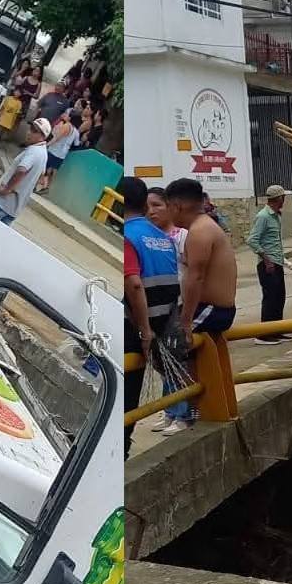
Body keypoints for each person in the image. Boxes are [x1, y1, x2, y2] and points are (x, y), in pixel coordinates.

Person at [119, 175, 179, 458]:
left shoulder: (128, 237)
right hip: (159, 326)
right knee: (129, 394)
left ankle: (117, 450)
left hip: (135, 329)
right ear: (144, 203)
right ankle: (123, 446)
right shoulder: (164, 239)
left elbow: (133, 284)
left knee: (118, 391)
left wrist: (144, 331)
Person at [146, 187, 196, 436]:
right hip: (158, 308)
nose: (151, 211)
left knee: (176, 360)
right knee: (161, 361)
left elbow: (194, 269)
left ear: (170, 207)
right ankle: (169, 411)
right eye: (148, 206)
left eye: (157, 205)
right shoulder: (148, 236)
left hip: (178, 306)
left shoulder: (184, 236)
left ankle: (184, 414)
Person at [167, 178, 238, 345]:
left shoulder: (200, 231)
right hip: (209, 308)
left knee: (168, 343)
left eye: (168, 207)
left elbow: (196, 277)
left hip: (212, 309)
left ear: (177, 207)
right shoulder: (202, 227)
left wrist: (185, 321)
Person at [246, 184, 292, 343]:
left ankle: (276, 330)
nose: (284, 200)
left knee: (279, 297)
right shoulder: (263, 216)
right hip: (268, 264)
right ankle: (264, 334)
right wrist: (266, 260)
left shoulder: (276, 216)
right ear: (279, 198)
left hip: (277, 262)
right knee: (270, 298)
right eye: (283, 198)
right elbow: (252, 240)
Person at [0, 117, 50, 225]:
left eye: (34, 131)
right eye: (31, 128)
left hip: (3, 203)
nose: (29, 132)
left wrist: (7, 189)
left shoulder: (33, 151)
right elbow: (41, 176)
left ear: (42, 136)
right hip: (14, 209)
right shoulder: (43, 153)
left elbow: (21, 170)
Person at [38, 109, 79, 191]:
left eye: (67, 114)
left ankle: (43, 184)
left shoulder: (66, 126)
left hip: (54, 150)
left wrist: (46, 144)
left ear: (70, 118)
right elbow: (76, 144)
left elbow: (56, 138)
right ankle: (47, 186)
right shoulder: (76, 132)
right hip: (62, 154)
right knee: (52, 170)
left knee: (45, 168)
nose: (65, 115)